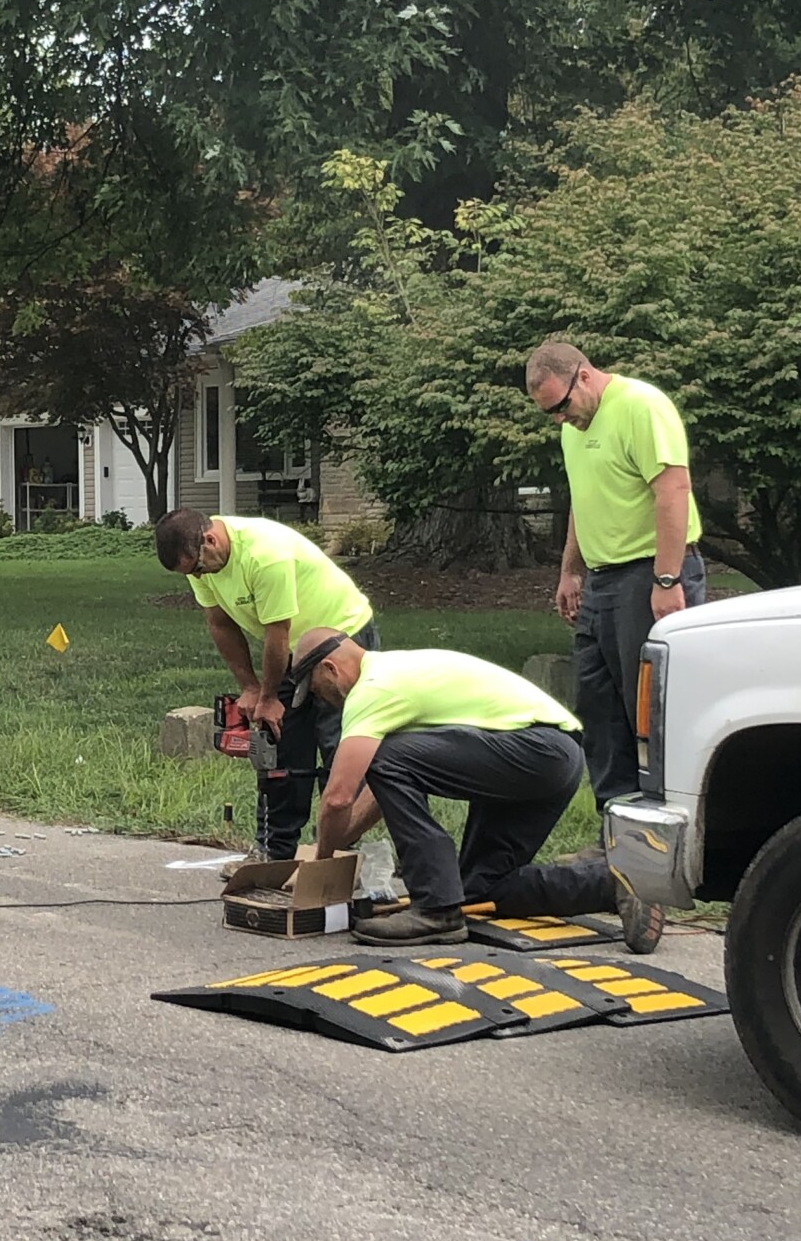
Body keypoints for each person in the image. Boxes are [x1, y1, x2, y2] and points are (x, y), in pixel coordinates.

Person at [291, 628, 662, 953]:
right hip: (549, 758)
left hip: (533, 750)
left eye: (316, 691)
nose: (322, 700)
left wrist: (322, 862)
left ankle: (435, 909)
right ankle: (614, 885)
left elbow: (339, 796)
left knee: (386, 756)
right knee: (480, 889)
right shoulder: (398, 673)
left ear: (330, 669)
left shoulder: (371, 691)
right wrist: (343, 839)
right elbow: (384, 787)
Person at [526, 341, 706, 807]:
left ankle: (667, 819)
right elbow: (581, 500)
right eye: (551, 414)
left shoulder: (640, 406)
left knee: (648, 709)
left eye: (562, 406)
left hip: (648, 574)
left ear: (583, 375)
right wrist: (570, 571)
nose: (561, 419)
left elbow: (673, 490)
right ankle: (617, 827)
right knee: (598, 707)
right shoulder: (573, 427)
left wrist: (666, 580)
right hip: (602, 579)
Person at [156, 509, 379, 860]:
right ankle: (275, 851)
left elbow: (279, 630)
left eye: (198, 568)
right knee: (281, 745)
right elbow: (220, 624)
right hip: (291, 646)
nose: (197, 576)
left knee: (339, 744)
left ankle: (338, 850)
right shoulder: (198, 559)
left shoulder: (264, 554)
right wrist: (251, 688)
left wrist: (271, 695)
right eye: (190, 573)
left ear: (209, 540)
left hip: (341, 635)